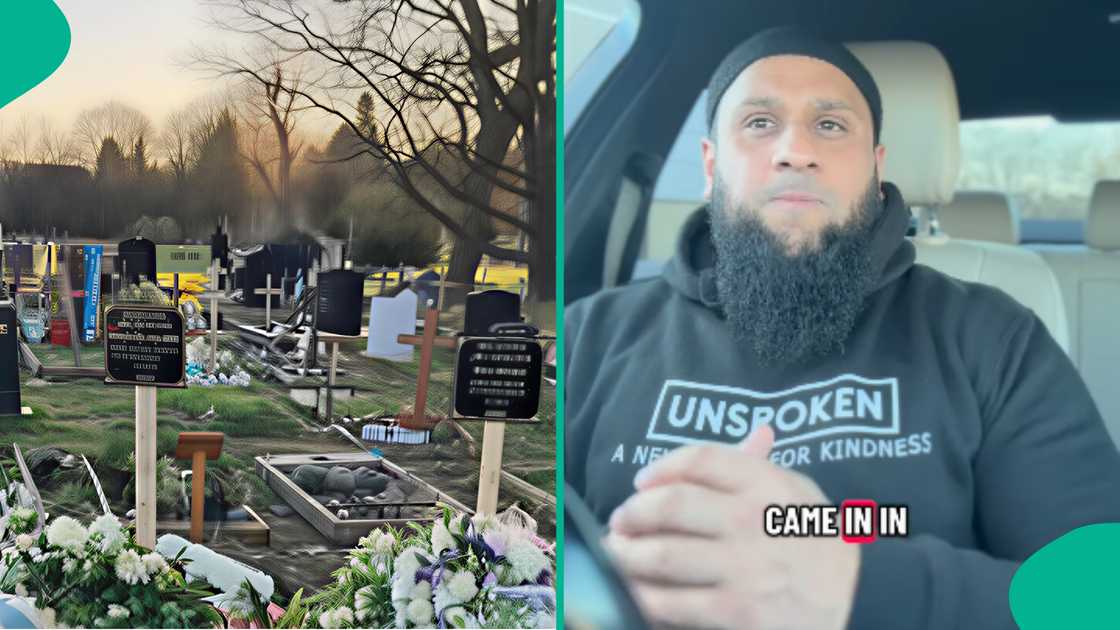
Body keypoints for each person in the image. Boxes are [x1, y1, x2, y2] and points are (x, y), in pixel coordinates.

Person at [563, 26, 1120, 630]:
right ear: (710, 163)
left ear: (876, 168)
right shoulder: (589, 337)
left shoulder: (990, 337)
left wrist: (856, 585)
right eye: (758, 123)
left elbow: (1099, 589)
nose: (795, 150)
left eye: (831, 125)